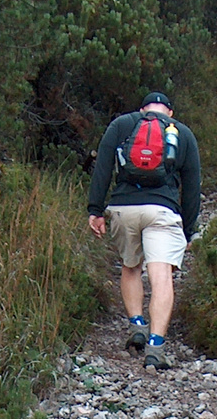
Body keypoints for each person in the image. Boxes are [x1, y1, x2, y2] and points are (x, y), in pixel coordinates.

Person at [86, 92, 202, 370]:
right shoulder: (182, 133)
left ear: (142, 110)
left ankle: (137, 324)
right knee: (161, 277)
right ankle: (156, 346)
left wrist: (95, 209)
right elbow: (193, 186)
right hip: (163, 210)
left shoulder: (121, 125)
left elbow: (103, 167)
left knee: (130, 267)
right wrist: (188, 228)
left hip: (124, 208)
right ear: (169, 113)